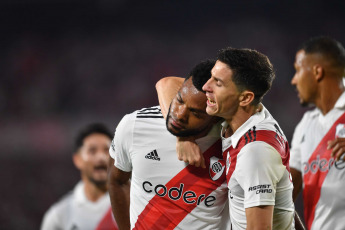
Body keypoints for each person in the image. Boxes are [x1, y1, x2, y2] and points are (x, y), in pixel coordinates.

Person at [165, 48, 295, 229]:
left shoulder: (254, 152)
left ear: (245, 98)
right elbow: (168, 83)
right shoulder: (251, 116)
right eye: (211, 77)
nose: (205, 87)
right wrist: (183, 136)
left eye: (217, 83)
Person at [107, 60, 230, 230]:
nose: (179, 115)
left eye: (195, 112)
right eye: (179, 100)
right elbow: (117, 181)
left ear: (215, 116)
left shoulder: (231, 143)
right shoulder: (135, 125)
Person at [290, 36, 345, 230]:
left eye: (297, 70)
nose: (293, 80)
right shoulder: (306, 125)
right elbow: (284, 196)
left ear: (317, 71)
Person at [41, 123, 118, 230]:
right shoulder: (59, 216)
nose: (101, 157)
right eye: (92, 151)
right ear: (77, 159)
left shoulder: (133, 207)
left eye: (107, 150)